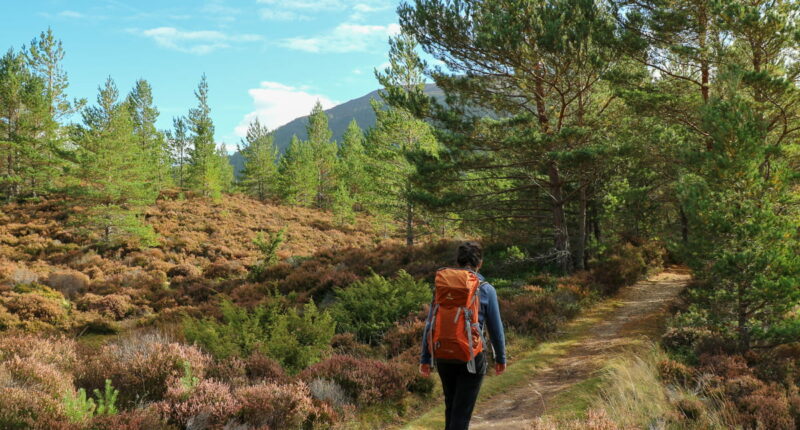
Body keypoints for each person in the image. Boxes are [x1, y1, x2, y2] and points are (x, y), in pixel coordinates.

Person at [419, 241, 507, 430]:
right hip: (472, 357)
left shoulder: (442, 287)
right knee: (461, 413)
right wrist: (500, 358)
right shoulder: (486, 289)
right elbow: (495, 328)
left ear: (458, 262)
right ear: (480, 263)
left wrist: (425, 358)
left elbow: (430, 323)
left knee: (451, 407)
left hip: (443, 353)